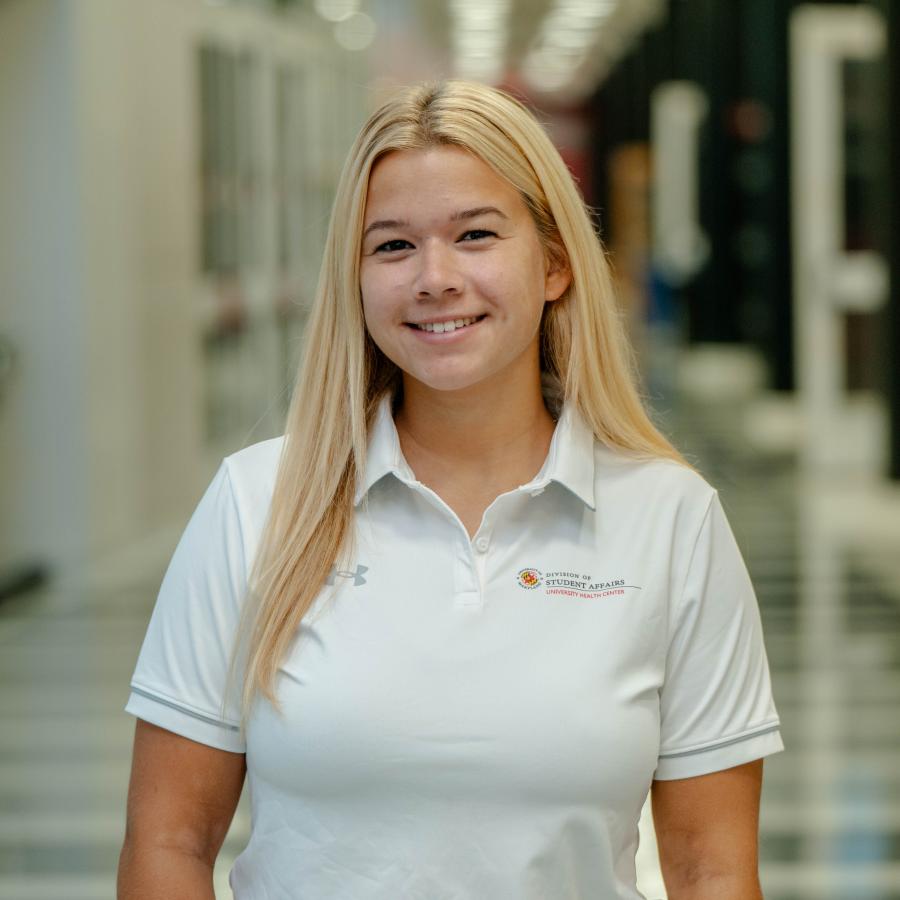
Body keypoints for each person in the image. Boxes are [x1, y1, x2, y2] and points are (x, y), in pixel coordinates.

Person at [118, 80, 783, 899]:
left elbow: (710, 869)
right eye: (392, 246)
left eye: (475, 235)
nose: (435, 278)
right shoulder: (256, 504)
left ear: (554, 264)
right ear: (354, 279)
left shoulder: (671, 518)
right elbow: (168, 844)